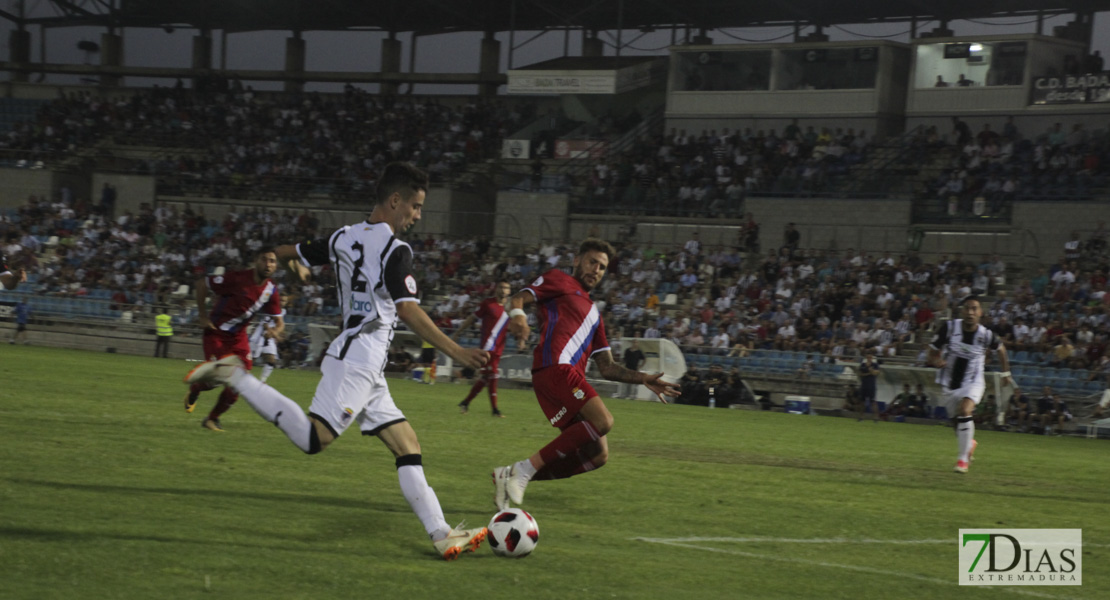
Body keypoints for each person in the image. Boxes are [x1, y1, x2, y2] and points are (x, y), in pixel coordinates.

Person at [184, 162, 490, 561]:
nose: (417, 216)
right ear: (395, 201)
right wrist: (459, 352)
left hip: (364, 359)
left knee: (406, 445)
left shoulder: (343, 237)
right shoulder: (397, 250)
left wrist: (292, 266)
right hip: (359, 357)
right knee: (315, 439)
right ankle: (236, 376)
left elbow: (286, 252)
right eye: (415, 206)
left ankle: (441, 533)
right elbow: (410, 311)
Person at [490, 238, 680, 511]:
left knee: (598, 454)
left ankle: (509, 476)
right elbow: (517, 298)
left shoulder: (595, 315)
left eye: (602, 267)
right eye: (592, 262)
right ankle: (523, 470)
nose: (597, 270)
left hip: (567, 377)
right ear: (577, 260)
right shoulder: (558, 280)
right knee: (603, 421)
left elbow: (607, 367)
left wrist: (644, 378)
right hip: (554, 367)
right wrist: (519, 316)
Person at [184, 248, 284, 432]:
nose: (268, 264)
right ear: (256, 261)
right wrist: (203, 316)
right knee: (223, 377)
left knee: (239, 384)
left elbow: (280, 321)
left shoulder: (271, 290)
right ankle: (197, 388)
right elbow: (202, 284)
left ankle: (212, 419)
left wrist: (275, 331)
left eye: (272, 261)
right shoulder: (237, 278)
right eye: (264, 259)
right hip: (216, 332)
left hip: (239, 338)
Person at [926, 295, 1013, 474]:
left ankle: (962, 460)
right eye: (967, 308)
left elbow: (1002, 350)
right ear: (961, 311)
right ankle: (970, 443)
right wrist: (936, 361)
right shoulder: (949, 328)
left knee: (965, 410)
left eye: (974, 309)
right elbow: (932, 352)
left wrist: (1006, 373)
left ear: (980, 313)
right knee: (956, 422)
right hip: (949, 383)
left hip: (973, 382)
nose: (970, 312)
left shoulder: (985, 335)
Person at [452, 280, 513, 417]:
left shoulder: (511, 307)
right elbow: (472, 318)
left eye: (506, 288)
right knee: (494, 376)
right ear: (496, 289)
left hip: (499, 348)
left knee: (486, 378)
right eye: (501, 287)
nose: (503, 290)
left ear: (509, 291)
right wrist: (458, 331)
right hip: (487, 347)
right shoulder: (488, 303)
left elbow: (513, 325)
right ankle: (495, 410)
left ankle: (465, 402)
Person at [248, 302, 287, 383]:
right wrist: (276, 336)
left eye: (284, 301)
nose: (282, 303)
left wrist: (278, 333)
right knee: (251, 361)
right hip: (259, 337)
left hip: (269, 338)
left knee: (271, 360)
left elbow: (278, 325)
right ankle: (240, 378)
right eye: (281, 300)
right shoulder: (270, 309)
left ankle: (262, 381)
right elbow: (265, 324)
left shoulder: (283, 311)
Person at [857, 349, 881, 422]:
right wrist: (869, 373)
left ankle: (876, 417)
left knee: (873, 402)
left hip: (871, 386)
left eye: (870, 356)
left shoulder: (875, 365)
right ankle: (861, 417)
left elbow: (876, 373)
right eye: (868, 356)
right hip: (864, 385)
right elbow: (860, 374)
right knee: (862, 401)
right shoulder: (863, 365)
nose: (869, 357)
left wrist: (871, 371)